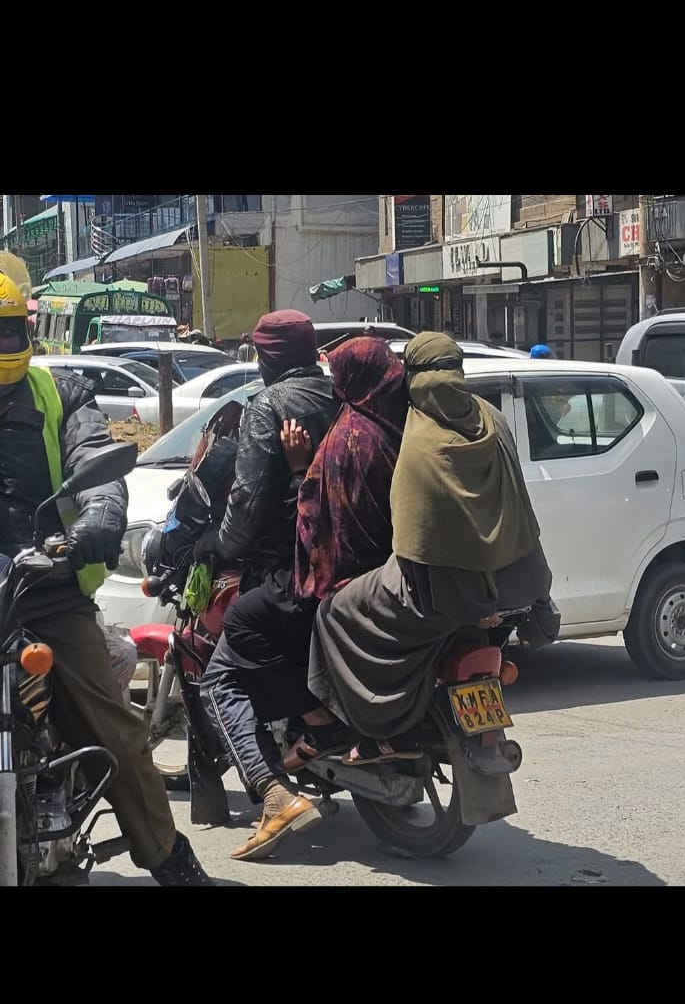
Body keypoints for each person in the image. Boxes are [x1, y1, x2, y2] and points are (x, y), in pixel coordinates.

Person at [0, 272, 210, 885]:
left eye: (8, 330)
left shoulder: (59, 392)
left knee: (115, 732)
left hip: (44, 585)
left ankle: (168, 855)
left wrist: (98, 515)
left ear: (27, 332)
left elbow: (94, 460)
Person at [299, 332, 559, 765]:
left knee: (334, 612)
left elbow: (407, 537)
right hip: (520, 582)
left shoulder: (412, 429)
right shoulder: (493, 417)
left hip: (442, 590)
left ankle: (369, 727)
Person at [200, 336, 408, 861]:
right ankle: (309, 726)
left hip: (324, 577)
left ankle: (277, 791)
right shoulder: (386, 424)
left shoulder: (345, 438)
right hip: (378, 576)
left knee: (227, 659)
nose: (334, 383)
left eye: (342, 375)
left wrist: (295, 469)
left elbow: (314, 519)